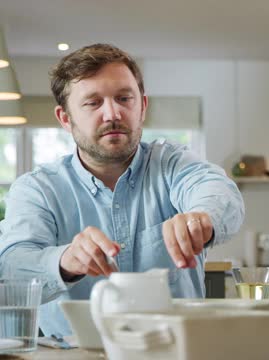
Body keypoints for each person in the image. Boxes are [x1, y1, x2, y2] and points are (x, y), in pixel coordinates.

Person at [0, 44, 245, 336]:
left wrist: (203, 216)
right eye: (93, 103)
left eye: (124, 98)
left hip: (173, 351)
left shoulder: (174, 163)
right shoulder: (37, 189)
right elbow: (13, 268)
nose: (113, 113)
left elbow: (219, 193)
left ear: (142, 106)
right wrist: (66, 260)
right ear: (66, 119)